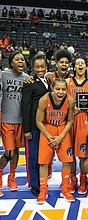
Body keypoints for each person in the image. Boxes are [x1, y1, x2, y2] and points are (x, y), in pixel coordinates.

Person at [36, 78, 75, 204]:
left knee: (67, 161)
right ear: (52, 88)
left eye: (63, 89)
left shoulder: (70, 100)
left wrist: (60, 137)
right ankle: (43, 189)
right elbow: (38, 121)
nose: (60, 92)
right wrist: (49, 136)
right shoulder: (44, 99)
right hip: (47, 129)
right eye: (58, 89)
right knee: (43, 162)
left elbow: (70, 121)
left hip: (63, 130)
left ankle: (65, 188)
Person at [66, 58, 88, 195]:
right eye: (77, 63)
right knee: (70, 154)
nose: (80, 65)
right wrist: (71, 107)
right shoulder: (67, 82)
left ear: (86, 67)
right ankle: (73, 179)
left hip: (84, 119)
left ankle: (83, 178)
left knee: (83, 154)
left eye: (82, 63)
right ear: (74, 67)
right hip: (70, 120)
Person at [21, 54, 51, 196]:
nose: (40, 69)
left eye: (42, 67)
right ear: (33, 68)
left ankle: (42, 180)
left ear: (46, 67)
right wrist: (27, 129)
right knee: (33, 156)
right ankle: (34, 184)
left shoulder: (49, 82)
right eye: (37, 67)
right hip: (33, 126)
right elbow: (25, 106)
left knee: (43, 156)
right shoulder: (29, 83)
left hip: (46, 125)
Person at [0, 51, 28, 197]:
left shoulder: (27, 78)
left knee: (16, 151)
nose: (20, 61)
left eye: (22, 59)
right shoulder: (3, 76)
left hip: (21, 121)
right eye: (17, 59)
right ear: (11, 63)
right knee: (9, 153)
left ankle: (12, 177)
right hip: (6, 120)